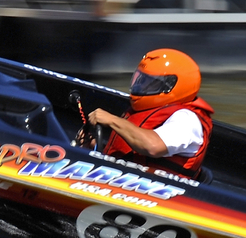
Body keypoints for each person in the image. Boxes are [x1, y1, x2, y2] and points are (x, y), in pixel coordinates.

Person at [87, 48, 214, 177]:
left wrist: (112, 120)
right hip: (126, 180)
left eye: (150, 83)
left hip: (161, 192)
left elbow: (153, 146)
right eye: (141, 80)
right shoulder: (143, 110)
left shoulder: (187, 119)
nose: (141, 86)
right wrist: (96, 146)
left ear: (170, 87)